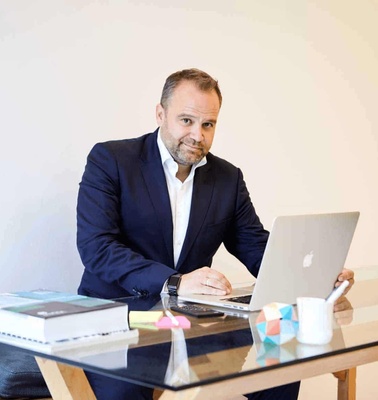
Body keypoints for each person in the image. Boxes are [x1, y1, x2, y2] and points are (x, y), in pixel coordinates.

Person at [76, 68, 354, 400]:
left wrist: (319, 278)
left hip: (189, 322)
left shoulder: (227, 178)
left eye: (208, 124)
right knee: (125, 389)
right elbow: (97, 247)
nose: (197, 135)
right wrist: (176, 281)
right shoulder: (111, 161)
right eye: (186, 121)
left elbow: (255, 246)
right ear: (160, 114)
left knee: (279, 364)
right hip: (121, 318)